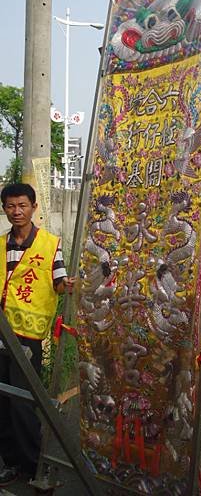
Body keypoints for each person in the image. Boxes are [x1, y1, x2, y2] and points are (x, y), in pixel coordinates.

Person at [0, 183, 74, 485]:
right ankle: (11, 462)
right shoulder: (1, 244)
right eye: (10, 206)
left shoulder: (49, 243)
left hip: (27, 336)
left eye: (22, 205)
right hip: (1, 332)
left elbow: (58, 281)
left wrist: (67, 285)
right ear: (4, 209)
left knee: (22, 402)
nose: (16, 212)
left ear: (33, 207)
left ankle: (33, 464)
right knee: (3, 401)